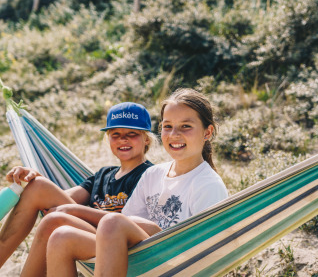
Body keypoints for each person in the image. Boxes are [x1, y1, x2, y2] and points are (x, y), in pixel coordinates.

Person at [45, 88, 228, 277]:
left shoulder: (207, 185)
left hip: (174, 266)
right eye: (167, 126)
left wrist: (75, 210)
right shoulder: (153, 174)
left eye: (186, 126)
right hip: (138, 258)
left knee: (113, 221)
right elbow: (122, 226)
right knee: (61, 237)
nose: (174, 134)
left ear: (207, 132)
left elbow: (209, 254)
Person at [0, 102, 156, 276]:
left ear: (146, 138)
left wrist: (71, 210)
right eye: (115, 134)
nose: (122, 139)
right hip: (89, 234)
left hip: (121, 242)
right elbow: (56, 200)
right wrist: (32, 177)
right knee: (37, 187)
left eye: (132, 134)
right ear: (108, 138)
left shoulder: (150, 174)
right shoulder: (103, 174)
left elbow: (142, 224)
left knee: (54, 221)